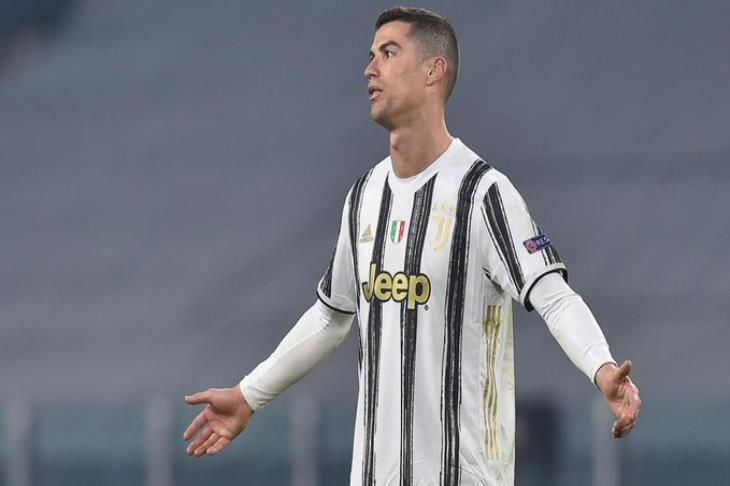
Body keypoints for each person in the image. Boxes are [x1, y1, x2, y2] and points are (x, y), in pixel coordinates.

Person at [183, 6, 641, 485]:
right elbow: (331, 315)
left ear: (433, 71)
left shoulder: (483, 194)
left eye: (388, 53)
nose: (370, 68)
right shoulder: (364, 196)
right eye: (370, 56)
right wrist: (249, 394)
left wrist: (601, 367)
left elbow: (553, 296)